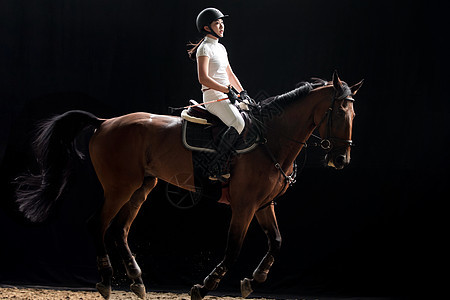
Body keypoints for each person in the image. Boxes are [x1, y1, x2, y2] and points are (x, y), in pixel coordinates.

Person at [188, 7, 252, 182]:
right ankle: (216, 164)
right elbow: (203, 78)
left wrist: (242, 92)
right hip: (213, 98)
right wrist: (227, 90)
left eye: (222, 23)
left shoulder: (221, 48)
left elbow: (230, 74)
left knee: (250, 115)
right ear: (207, 28)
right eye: (217, 23)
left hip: (227, 95)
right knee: (238, 123)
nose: (222, 26)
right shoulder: (204, 49)